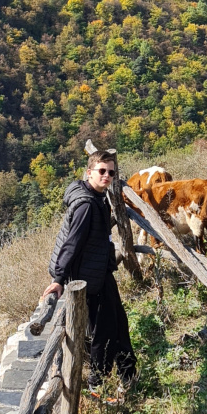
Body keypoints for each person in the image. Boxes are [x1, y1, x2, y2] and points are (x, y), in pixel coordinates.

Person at [42, 152, 137, 396]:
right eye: (102, 171)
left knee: (117, 321)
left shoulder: (96, 197)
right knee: (103, 331)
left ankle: (128, 374)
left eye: (111, 172)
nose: (107, 176)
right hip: (87, 279)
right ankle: (98, 385)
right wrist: (59, 280)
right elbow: (71, 244)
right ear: (89, 173)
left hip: (99, 272)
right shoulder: (86, 204)